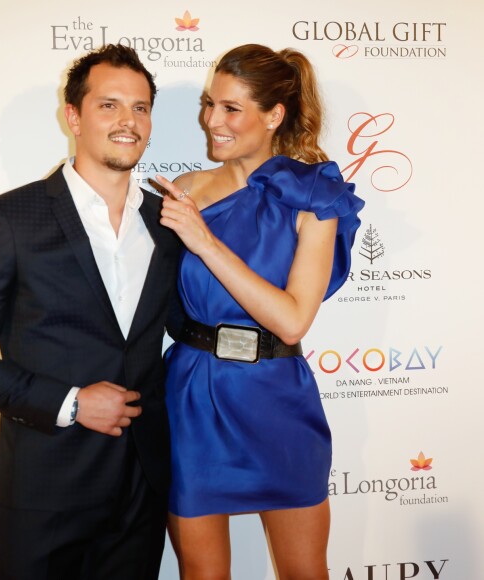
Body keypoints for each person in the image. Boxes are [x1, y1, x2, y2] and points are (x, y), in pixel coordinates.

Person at [0, 44, 183, 580]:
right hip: (46, 489)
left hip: (141, 490)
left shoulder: (169, 224)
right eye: (109, 105)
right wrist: (71, 404)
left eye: (140, 108)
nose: (128, 122)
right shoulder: (10, 218)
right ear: (73, 115)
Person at [155, 44, 364, 579]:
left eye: (231, 108)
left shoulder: (315, 195)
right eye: (209, 103)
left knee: (304, 572)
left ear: (274, 115)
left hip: (277, 398)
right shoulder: (186, 191)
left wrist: (206, 242)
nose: (211, 121)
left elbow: (293, 319)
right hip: (194, 395)